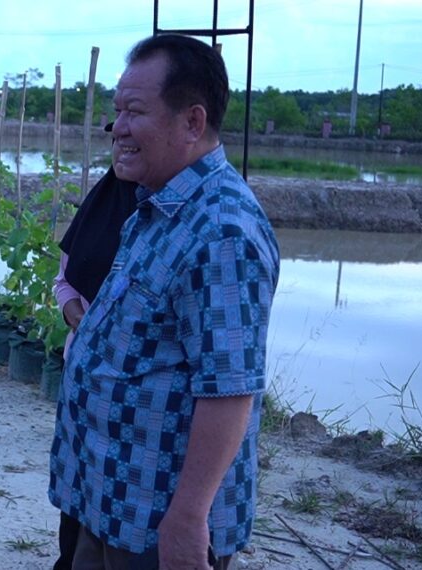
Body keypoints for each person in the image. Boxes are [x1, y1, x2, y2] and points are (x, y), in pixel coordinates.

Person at [48, 34, 281, 570]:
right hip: (112, 499)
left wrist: (187, 518)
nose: (118, 129)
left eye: (134, 112)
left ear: (192, 123)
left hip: (157, 521)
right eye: (116, 111)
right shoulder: (160, 203)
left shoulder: (223, 232)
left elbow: (228, 390)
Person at [50, 123, 140, 570]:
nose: (121, 145)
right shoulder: (100, 203)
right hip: (81, 369)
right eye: (114, 139)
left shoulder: (163, 219)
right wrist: (74, 313)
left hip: (129, 387)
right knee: (79, 478)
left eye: (132, 135)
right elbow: (63, 280)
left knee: (119, 495)